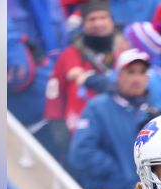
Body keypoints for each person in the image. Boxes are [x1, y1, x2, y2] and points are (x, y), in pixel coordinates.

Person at [69, 49, 161, 189]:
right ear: (118, 75)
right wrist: (119, 178)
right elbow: (81, 153)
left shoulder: (152, 114)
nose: (137, 79)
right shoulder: (98, 107)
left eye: (142, 72)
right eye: (131, 72)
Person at [44, 1, 125, 138]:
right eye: (92, 19)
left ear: (112, 21)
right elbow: (55, 95)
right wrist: (60, 134)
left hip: (117, 131)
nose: (98, 24)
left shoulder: (124, 53)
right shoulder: (69, 55)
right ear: (83, 24)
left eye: (103, 18)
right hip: (79, 132)